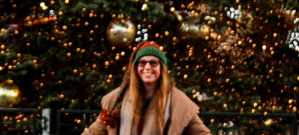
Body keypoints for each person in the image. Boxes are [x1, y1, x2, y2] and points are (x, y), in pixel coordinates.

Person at [79, 42, 210, 135]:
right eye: (142, 63)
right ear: (136, 68)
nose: (147, 67)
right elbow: (95, 131)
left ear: (161, 68)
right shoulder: (117, 99)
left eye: (153, 63)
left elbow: (201, 133)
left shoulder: (179, 102)